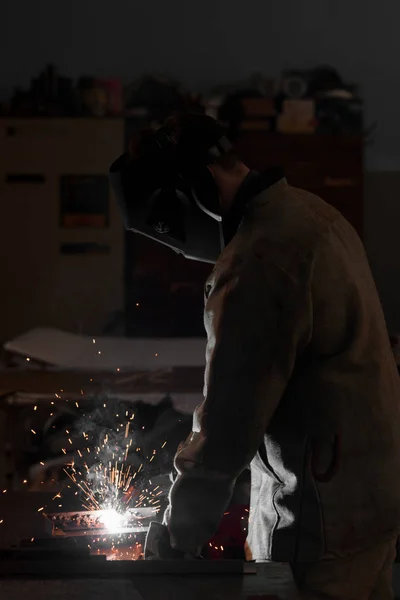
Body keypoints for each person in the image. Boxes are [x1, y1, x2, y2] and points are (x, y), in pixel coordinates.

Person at [111, 113, 400, 599]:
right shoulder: (314, 214)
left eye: (172, 229)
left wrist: (175, 541)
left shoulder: (259, 261)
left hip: (317, 526)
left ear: (196, 192)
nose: (183, 250)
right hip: (371, 502)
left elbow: (227, 425)